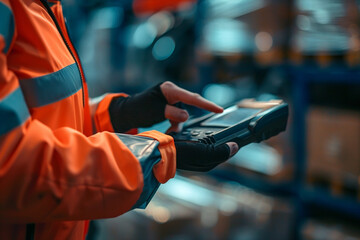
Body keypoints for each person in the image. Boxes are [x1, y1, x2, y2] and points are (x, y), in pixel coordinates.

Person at [0, 1, 239, 239]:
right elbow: (14, 168)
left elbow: (40, 121)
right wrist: (154, 155)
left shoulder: (42, 6)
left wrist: (116, 114)